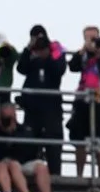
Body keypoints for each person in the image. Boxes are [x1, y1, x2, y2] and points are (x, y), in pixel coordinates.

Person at [0, 102, 64, 192]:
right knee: (13, 163)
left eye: (10, 117)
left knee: (41, 166)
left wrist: (14, 134)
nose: (8, 120)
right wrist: (0, 132)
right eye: (5, 117)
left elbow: (30, 150)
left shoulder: (25, 129)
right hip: (6, 166)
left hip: (24, 163)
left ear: (15, 115)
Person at [67, 27, 100, 177]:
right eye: (88, 38)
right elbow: (72, 67)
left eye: (94, 38)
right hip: (82, 97)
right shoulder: (82, 54)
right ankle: (79, 174)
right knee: (80, 138)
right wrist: (83, 51)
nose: (91, 41)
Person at [16, 25, 68, 172]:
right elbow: (21, 69)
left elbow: (60, 70)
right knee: (30, 145)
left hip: (51, 108)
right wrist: (28, 49)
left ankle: (55, 178)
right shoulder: (30, 52)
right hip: (32, 108)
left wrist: (48, 57)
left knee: (53, 145)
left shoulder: (56, 50)